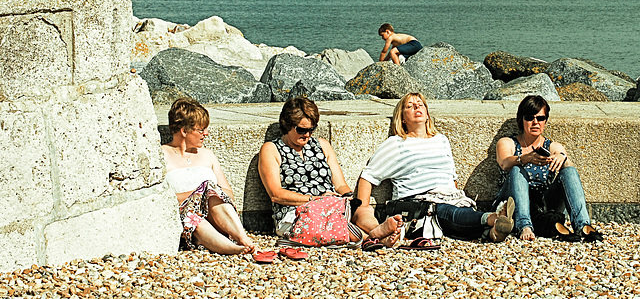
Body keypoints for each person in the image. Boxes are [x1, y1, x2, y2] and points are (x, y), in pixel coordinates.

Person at [353, 92, 514, 245]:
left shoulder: (441, 140)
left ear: (427, 114)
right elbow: (368, 176)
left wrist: (455, 196)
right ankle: (492, 219)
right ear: (402, 118)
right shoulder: (397, 143)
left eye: (420, 104)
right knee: (445, 212)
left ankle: (492, 232)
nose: (417, 108)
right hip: (419, 202)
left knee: (458, 213)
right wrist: (363, 208)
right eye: (410, 106)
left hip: (450, 197)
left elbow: (451, 177)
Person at [258, 97, 401, 247]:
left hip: (331, 204)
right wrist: (315, 199)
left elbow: (340, 185)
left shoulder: (322, 145)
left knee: (362, 208)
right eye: (301, 129)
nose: (307, 135)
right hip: (297, 211)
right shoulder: (272, 149)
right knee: (326, 217)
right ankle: (373, 237)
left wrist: (349, 200)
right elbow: (276, 194)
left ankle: (376, 230)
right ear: (287, 125)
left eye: (311, 129)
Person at [495, 95, 603, 242]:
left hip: (543, 205)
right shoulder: (508, 142)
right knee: (516, 169)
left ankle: (583, 226)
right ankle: (524, 226)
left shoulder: (553, 147)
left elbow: (569, 175)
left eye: (540, 118)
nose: (535, 122)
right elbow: (504, 162)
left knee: (569, 169)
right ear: (521, 120)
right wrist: (525, 159)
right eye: (529, 118)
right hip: (511, 203)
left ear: (545, 120)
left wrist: (563, 159)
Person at [162, 98, 256, 255]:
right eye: (200, 130)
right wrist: (197, 194)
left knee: (211, 189)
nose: (206, 133)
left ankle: (242, 238)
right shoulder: (162, 155)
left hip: (216, 217)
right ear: (184, 131)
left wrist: (206, 193)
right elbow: (161, 200)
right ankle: (232, 249)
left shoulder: (207, 155)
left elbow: (228, 193)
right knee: (193, 215)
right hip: (185, 218)